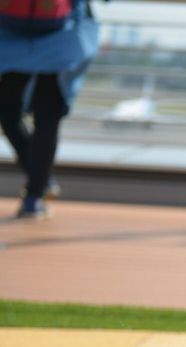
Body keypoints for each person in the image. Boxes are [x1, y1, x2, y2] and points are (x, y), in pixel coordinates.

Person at [0, 0, 102, 219]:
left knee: (44, 115)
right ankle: (40, 182)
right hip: (15, 33)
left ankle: (35, 193)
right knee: (11, 114)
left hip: (54, 34)